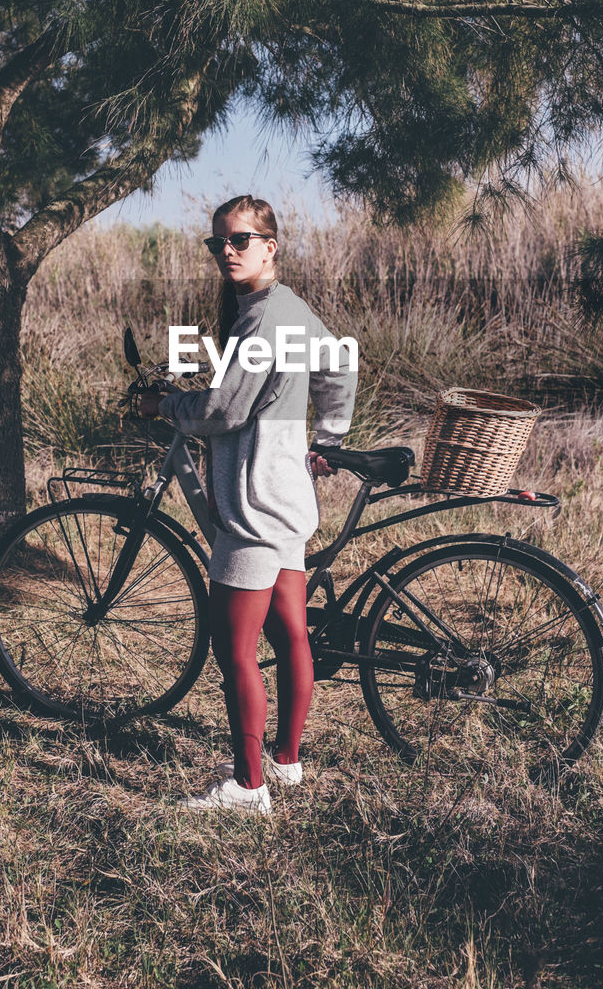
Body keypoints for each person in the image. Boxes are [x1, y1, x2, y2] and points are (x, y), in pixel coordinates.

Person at [138, 194, 357, 814]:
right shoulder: (289, 308)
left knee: (231, 646)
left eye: (239, 241)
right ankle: (285, 762)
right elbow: (338, 368)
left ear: (270, 245)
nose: (227, 252)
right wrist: (328, 437)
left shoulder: (261, 317)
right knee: (291, 633)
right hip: (288, 497)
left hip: (253, 508)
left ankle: (248, 787)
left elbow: (224, 411)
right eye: (218, 244)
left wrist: (164, 406)